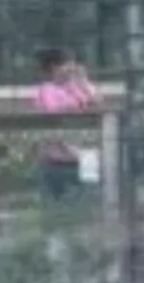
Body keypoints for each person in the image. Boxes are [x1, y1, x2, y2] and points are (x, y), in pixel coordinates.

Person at [32, 48, 101, 202]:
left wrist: (83, 82)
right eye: (67, 64)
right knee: (61, 200)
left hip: (82, 150)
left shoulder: (75, 87)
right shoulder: (46, 90)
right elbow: (53, 117)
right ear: (54, 68)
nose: (72, 68)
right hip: (58, 152)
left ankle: (90, 203)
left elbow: (97, 103)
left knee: (88, 192)